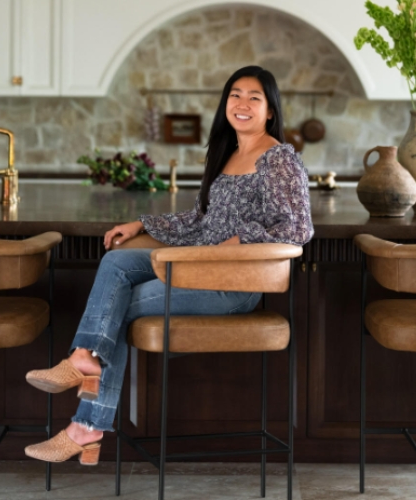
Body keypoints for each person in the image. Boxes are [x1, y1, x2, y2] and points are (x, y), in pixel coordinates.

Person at [24, 65, 314, 464]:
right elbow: (198, 221)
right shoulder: (227, 154)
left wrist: (240, 239)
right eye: (234, 94)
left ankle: (86, 424)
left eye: (254, 97)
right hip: (196, 265)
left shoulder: (278, 159)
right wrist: (141, 223)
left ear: (270, 111)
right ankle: (83, 360)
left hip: (231, 285)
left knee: (116, 311)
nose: (241, 104)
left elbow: (297, 227)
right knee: (116, 263)